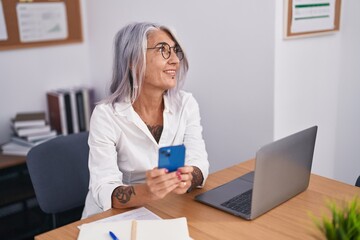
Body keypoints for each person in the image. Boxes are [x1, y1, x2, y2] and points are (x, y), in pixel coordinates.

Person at [82, 22, 209, 218]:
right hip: (114, 217)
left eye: (175, 51)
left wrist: (189, 177)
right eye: (163, 50)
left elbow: (198, 161)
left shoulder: (186, 104)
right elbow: (103, 188)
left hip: (167, 209)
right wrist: (148, 191)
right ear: (134, 60)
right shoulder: (106, 115)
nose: (175, 60)